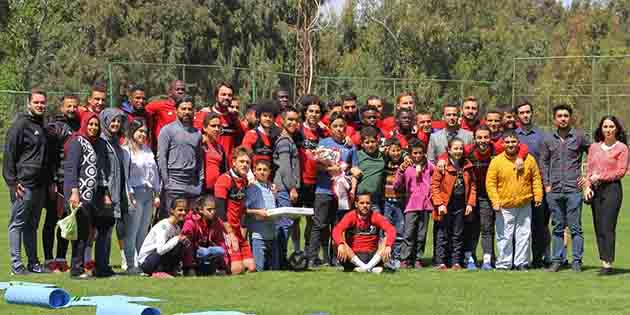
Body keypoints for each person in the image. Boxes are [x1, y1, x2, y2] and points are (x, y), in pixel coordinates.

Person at [4, 88, 53, 275]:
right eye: (36, 102)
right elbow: (9, 155)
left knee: (32, 225)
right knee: (17, 224)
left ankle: (34, 263)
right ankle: (17, 265)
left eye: (42, 102)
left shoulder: (42, 125)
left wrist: (49, 182)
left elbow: (45, 158)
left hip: (40, 185)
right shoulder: (20, 125)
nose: (40, 105)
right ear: (29, 104)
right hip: (23, 185)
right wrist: (12, 182)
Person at [541, 104, 590, 273]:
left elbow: (594, 155)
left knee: (575, 227)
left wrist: (587, 177)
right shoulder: (548, 139)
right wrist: (547, 184)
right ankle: (557, 260)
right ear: (554, 119)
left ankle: (577, 261)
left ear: (570, 118)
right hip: (554, 190)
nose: (563, 118)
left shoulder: (579, 137)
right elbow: (544, 162)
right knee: (557, 227)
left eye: (566, 115)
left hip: (573, 190)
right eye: (559, 116)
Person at [486, 131, 543, 271]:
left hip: (524, 203)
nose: (511, 144)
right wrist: (495, 200)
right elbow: (490, 183)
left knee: (524, 234)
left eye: (513, 141)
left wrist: (538, 195)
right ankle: (504, 263)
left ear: (518, 143)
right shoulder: (496, 161)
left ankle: (521, 262)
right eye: (508, 142)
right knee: (504, 235)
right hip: (504, 205)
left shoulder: (529, 159)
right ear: (503, 144)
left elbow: (535, 178)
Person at [307, 113, 358, 267]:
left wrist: (353, 189)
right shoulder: (324, 143)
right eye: (335, 126)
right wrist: (329, 168)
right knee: (319, 224)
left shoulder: (350, 146)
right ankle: (312, 258)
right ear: (330, 128)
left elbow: (354, 168)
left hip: (342, 192)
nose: (339, 129)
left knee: (338, 226)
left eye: (341, 126)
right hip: (324, 190)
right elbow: (316, 165)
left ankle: (337, 258)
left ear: (346, 127)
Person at [64, 112, 106, 279]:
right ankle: (76, 268)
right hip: (78, 194)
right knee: (80, 233)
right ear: (84, 124)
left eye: (96, 125)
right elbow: (71, 168)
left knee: (85, 233)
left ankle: (80, 266)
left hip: (89, 196)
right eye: (91, 124)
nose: (93, 127)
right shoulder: (77, 141)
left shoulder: (93, 143)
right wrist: (74, 192)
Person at [584, 116, 628, 275]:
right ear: (600, 129)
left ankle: (608, 264)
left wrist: (601, 177)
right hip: (595, 190)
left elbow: (621, 171)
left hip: (612, 190)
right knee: (598, 226)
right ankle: (603, 261)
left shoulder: (622, 148)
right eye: (605, 126)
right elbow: (589, 169)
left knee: (608, 225)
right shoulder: (594, 147)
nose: (608, 130)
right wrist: (587, 187)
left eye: (611, 126)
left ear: (616, 128)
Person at [43, 93, 80, 273]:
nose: (72, 109)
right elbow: (48, 158)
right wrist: (51, 181)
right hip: (56, 182)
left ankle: (61, 258)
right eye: (69, 106)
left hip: (71, 183)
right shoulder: (54, 127)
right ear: (61, 107)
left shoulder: (79, 126)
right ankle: (49, 259)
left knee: (67, 220)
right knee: (51, 220)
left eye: (75, 106)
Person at [430, 138, 476, 270]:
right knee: (442, 234)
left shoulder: (468, 166)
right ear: (449, 150)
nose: (458, 151)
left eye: (460, 148)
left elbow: (473, 185)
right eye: (455, 148)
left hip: (461, 204)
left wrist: (470, 204)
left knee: (458, 234)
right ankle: (440, 262)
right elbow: (434, 186)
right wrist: (439, 204)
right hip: (445, 205)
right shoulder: (442, 166)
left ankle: (456, 262)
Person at [122, 119, 161, 274]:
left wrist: (157, 193)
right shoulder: (126, 151)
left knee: (143, 232)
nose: (143, 135)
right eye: (140, 131)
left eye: (145, 132)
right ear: (132, 132)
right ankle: (130, 264)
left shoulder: (148, 150)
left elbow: (154, 173)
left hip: (148, 194)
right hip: (134, 193)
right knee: (132, 231)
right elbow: (125, 175)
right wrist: (129, 193)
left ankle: (142, 263)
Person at [515, 99, 550, 268]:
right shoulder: (512, 136)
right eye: (522, 113)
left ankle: (537, 259)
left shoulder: (542, 136)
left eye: (528, 112)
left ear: (532, 113)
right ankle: (517, 260)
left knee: (539, 225)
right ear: (517, 115)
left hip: (538, 187)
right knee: (518, 226)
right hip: (516, 187)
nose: (525, 115)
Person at [158, 95, 204, 217]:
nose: (187, 112)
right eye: (183, 109)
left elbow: (200, 160)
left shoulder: (197, 133)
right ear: (176, 110)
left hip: (192, 187)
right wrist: (167, 183)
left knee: (189, 225)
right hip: (173, 186)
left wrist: (200, 182)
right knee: (170, 223)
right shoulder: (167, 131)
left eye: (189, 109)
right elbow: (161, 158)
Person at [96, 108, 129, 277]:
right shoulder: (102, 142)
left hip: (118, 191)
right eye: (112, 121)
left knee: (109, 230)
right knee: (104, 231)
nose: (116, 124)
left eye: (118, 121)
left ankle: (104, 265)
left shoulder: (115, 142)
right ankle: (101, 266)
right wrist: (105, 194)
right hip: (106, 194)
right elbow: (100, 169)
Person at [215, 147, 257, 274]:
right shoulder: (224, 180)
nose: (245, 165)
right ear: (233, 162)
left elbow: (243, 208)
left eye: (247, 162)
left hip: (238, 231)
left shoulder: (244, 181)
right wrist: (230, 234)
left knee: (251, 268)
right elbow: (220, 211)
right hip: (226, 231)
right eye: (241, 161)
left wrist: (243, 229)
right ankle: (219, 268)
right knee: (237, 270)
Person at [333, 193, 396, 273]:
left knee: (387, 240)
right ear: (356, 204)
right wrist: (340, 244)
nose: (365, 205)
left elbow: (391, 229)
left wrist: (388, 245)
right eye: (362, 203)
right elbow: (337, 230)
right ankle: (368, 268)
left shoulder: (375, 216)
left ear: (371, 204)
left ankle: (365, 268)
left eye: (367, 203)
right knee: (338, 242)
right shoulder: (351, 216)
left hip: (372, 255)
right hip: (354, 255)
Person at [395, 139, 434, 269]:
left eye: (420, 153)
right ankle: (405, 259)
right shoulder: (406, 167)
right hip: (411, 205)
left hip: (425, 205)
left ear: (424, 153)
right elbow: (397, 185)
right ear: (410, 154)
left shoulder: (429, 166)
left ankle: (417, 259)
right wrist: (400, 171)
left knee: (421, 235)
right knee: (408, 234)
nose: (417, 156)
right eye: (415, 153)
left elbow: (437, 178)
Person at [272, 107, 301, 269]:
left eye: (296, 120)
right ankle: (280, 261)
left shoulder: (289, 139)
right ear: (282, 121)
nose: (293, 123)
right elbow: (284, 168)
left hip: (285, 188)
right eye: (289, 119)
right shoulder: (284, 141)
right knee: (284, 224)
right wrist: (292, 188)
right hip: (284, 189)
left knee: (286, 223)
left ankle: (280, 259)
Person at [297, 95, 326, 254]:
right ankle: (295, 250)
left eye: (317, 112)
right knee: (294, 219)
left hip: (317, 182)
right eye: (311, 111)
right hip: (300, 181)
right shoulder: (298, 129)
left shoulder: (323, 133)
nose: (314, 114)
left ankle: (308, 250)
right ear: (305, 112)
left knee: (312, 219)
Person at [138, 198, 190, 278]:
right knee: (177, 242)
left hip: (158, 257)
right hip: (148, 261)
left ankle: (171, 270)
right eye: (180, 210)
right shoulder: (164, 226)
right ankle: (157, 271)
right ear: (172, 211)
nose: (183, 213)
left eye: (185, 210)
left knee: (180, 244)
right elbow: (160, 250)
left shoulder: (177, 227)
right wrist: (176, 239)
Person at [194, 81, 243, 163]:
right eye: (223, 94)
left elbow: (242, 137)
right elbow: (194, 138)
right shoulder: (204, 114)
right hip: (209, 163)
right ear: (216, 96)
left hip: (228, 166)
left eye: (229, 95)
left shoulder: (234, 118)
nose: (226, 97)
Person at [182, 195, 229, 276]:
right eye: (209, 210)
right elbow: (186, 245)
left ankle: (215, 268)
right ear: (201, 210)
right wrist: (190, 266)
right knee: (202, 252)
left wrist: (224, 266)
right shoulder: (190, 222)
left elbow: (221, 243)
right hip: (194, 254)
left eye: (214, 209)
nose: (213, 212)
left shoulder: (217, 222)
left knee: (220, 250)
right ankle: (190, 269)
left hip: (208, 253)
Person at [245, 159, 278, 271]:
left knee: (275, 271)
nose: (262, 172)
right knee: (258, 270)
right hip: (258, 237)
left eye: (265, 170)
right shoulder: (252, 188)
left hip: (272, 236)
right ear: (254, 171)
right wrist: (257, 212)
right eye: (259, 169)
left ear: (269, 172)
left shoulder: (271, 188)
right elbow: (244, 210)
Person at [381, 138, 406, 265]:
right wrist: (384, 152)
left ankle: (397, 257)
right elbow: (381, 155)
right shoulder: (385, 162)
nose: (396, 153)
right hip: (387, 202)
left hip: (400, 201)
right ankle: (385, 257)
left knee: (400, 229)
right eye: (393, 150)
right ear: (388, 151)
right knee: (386, 229)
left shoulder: (404, 163)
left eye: (398, 150)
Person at [145, 80, 185, 151]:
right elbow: (142, 112)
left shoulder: (185, 109)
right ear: (170, 92)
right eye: (177, 89)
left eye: (183, 89)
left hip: (178, 150)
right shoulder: (160, 105)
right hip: (161, 150)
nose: (180, 91)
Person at [353, 126, 385, 213]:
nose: (370, 145)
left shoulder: (382, 155)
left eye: (372, 142)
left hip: (375, 198)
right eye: (367, 142)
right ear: (362, 144)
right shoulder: (357, 155)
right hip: (360, 197)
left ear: (377, 142)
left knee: (376, 222)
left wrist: (405, 157)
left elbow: (398, 152)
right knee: (360, 223)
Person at [202, 112, 227, 194]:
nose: (216, 129)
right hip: (201, 190)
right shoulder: (200, 144)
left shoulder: (220, 148)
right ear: (205, 128)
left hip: (216, 190)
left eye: (219, 126)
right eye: (213, 126)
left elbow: (223, 170)